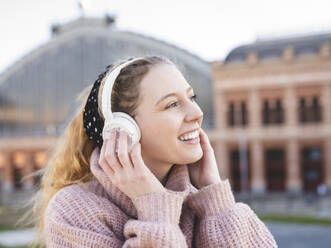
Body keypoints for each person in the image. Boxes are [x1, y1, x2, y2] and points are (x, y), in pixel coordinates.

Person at [27, 56, 278, 247]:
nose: (197, 113)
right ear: (122, 128)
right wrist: (155, 208)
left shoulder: (200, 200)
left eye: (192, 97)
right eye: (172, 104)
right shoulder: (74, 210)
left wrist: (215, 200)